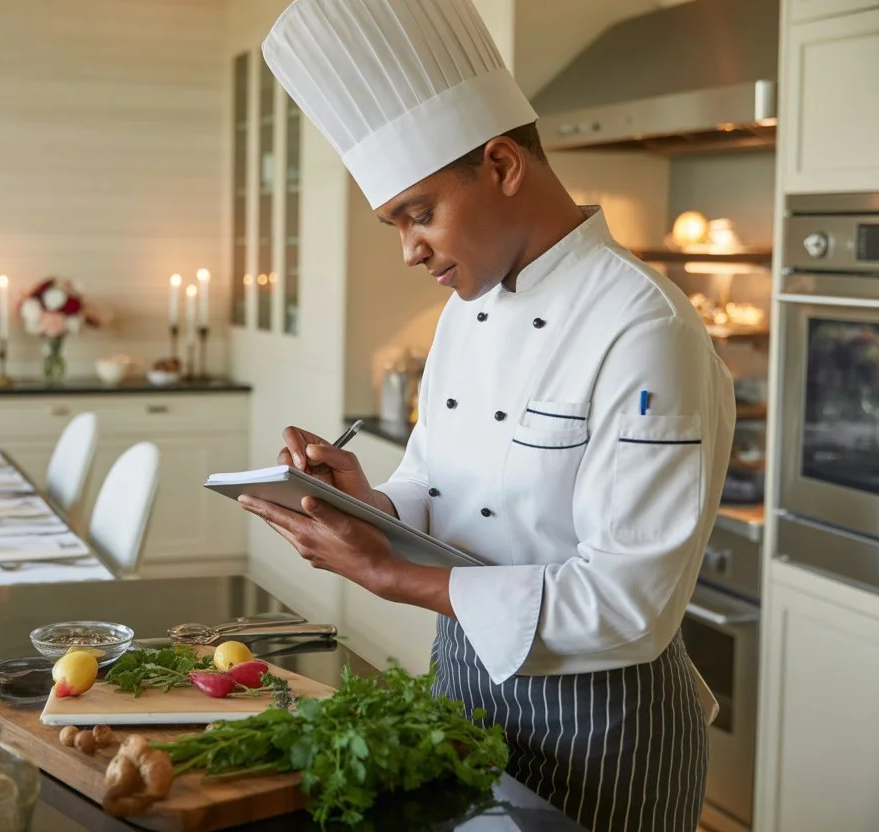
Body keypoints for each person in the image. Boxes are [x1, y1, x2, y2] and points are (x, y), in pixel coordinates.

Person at [242, 1, 736, 830]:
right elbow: (440, 481)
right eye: (396, 221)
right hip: (466, 693)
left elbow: (628, 602)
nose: (409, 249)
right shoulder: (466, 308)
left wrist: (392, 576)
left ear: (503, 164)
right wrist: (370, 502)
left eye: (419, 212)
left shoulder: (644, 329)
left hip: (600, 729)